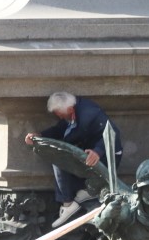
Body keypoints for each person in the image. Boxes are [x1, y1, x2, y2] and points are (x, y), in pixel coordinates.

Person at [24, 91, 123, 227]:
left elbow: (113, 133)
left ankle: (68, 203)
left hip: (106, 158)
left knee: (57, 157)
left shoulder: (90, 114)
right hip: (86, 155)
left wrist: (97, 152)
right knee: (57, 154)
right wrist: (39, 136)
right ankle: (87, 192)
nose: (58, 116)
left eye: (59, 114)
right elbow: (59, 129)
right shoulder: (71, 113)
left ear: (70, 109)